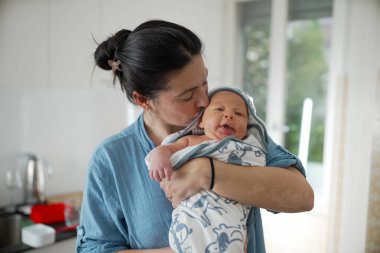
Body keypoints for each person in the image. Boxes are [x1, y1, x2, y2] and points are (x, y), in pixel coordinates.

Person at [76, 19, 314, 253]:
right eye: (188, 95)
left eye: (204, 82)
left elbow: (302, 197)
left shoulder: (231, 128)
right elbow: (93, 248)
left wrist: (206, 172)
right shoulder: (110, 159)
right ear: (143, 100)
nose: (204, 100)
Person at [145, 88, 267, 252]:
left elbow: (257, 175)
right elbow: (165, 150)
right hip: (194, 212)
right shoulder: (190, 141)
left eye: (238, 114)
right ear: (201, 120)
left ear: (247, 127)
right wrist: (160, 157)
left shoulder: (244, 148)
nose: (229, 115)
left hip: (230, 217)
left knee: (232, 242)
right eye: (219, 109)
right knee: (192, 240)